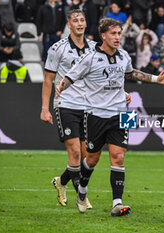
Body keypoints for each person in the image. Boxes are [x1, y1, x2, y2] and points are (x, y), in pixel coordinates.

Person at [56, 18, 164, 215]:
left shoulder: (123, 56)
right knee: (92, 159)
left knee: (118, 157)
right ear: (103, 35)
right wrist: (62, 87)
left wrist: (156, 79)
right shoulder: (90, 57)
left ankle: (117, 203)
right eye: (113, 34)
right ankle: (82, 191)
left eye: (119, 33)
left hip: (121, 113)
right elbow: (71, 76)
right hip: (95, 114)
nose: (117, 37)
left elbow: (131, 74)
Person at [40, 9, 98, 209]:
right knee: (74, 153)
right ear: (69, 25)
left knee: (85, 157)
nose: (80, 23)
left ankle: (61, 182)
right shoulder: (58, 48)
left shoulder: (94, 48)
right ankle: (82, 197)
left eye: (83, 20)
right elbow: (48, 79)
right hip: (65, 104)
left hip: (88, 106)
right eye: (76, 20)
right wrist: (44, 109)